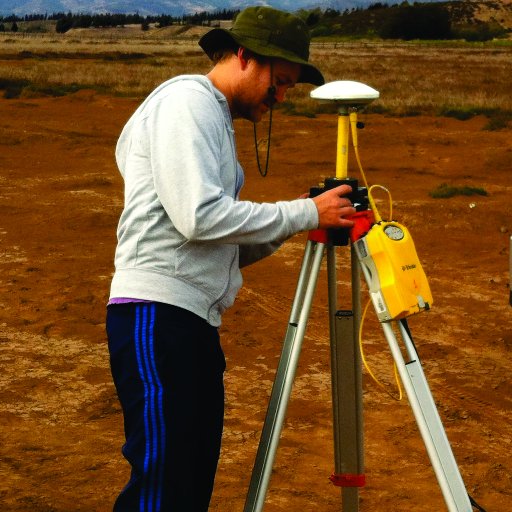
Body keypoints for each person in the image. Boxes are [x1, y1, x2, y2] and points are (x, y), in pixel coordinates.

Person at [106, 6, 355, 512]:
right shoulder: (187, 102)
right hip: (157, 316)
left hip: (190, 321)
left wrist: (305, 222)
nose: (281, 97)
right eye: (279, 82)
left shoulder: (213, 119)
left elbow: (219, 245)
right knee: (165, 485)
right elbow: (199, 216)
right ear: (244, 56)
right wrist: (303, 210)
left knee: (188, 482)